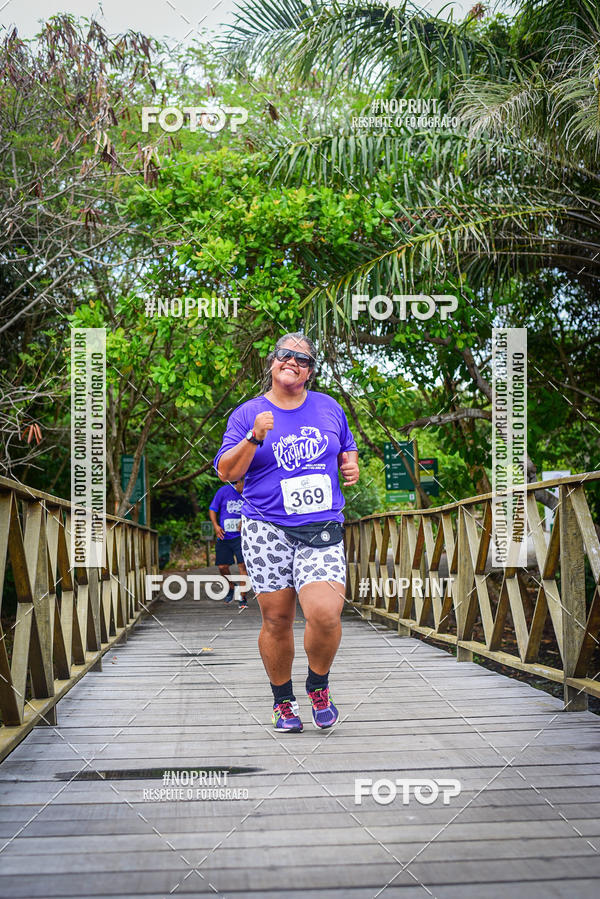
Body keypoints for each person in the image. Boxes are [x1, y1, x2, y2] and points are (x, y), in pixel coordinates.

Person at [213, 332, 360, 732]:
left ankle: (318, 685)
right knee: (277, 619)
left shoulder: (329, 407)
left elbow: (347, 447)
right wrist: (254, 437)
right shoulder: (248, 414)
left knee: (325, 613)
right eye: (285, 354)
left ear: (310, 372)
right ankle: (283, 702)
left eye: (303, 359)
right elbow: (226, 472)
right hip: (266, 528)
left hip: (320, 526)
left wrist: (350, 465)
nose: (293, 362)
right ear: (272, 361)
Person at [208, 478, 249, 609]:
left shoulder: (249, 492)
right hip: (224, 536)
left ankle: (242, 597)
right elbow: (212, 509)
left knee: (242, 566)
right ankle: (231, 586)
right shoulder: (224, 491)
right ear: (238, 482)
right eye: (244, 483)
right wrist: (216, 526)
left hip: (241, 537)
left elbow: (257, 510)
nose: (245, 487)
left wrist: (245, 521)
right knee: (222, 567)